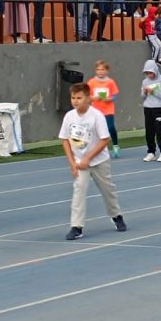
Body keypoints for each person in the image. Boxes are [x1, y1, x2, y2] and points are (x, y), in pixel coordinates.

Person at [60, 82, 126, 240]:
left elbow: (105, 140)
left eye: (79, 98)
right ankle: (77, 226)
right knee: (79, 191)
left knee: (108, 190)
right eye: (73, 98)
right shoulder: (69, 116)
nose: (75, 101)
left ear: (88, 98)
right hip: (80, 163)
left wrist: (88, 158)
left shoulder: (96, 116)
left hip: (99, 161)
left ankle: (116, 215)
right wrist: (72, 162)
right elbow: (65, 140)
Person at [87, 60, 121, 159]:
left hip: (108, 110)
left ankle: (115, 145)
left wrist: (108, 98)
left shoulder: (110, 82)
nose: (100, 71)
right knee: (96, 130)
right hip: (96, 110)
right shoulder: (91, 82)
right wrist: (94, 98)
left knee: (110, 128)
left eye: (102, 69)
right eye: (98, 69)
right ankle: (98, 149)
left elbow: (114, 95)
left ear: (107, 71)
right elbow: (87, 96)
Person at [141, 59, 161, 163]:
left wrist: (154, 92)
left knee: (160, 130)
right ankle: (151, 152)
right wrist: (144, 92)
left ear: (155, 70)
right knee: (149, 131)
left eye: (150, 72)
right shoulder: (144, 82)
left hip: (159, 108)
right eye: (147, 73)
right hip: (148, 108)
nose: (149, 75)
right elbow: (142, 96)